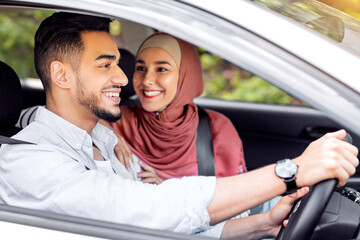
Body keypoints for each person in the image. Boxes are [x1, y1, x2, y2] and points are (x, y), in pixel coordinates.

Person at [0, 12, 358, 239]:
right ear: (61, 74)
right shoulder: (29, 164)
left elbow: (164, 226)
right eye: (105, 65)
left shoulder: (101, 138)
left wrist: (257, 226)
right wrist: (291, 171)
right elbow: (151, 212)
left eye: (120, 64)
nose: (125, 79)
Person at [109, 33, 246, 183]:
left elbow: (232, 200)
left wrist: (165, 191)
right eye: (141, 68)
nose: (147, 80)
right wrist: (107, 131)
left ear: (185, 75)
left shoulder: (217, 128)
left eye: (161, 69)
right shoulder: (115, 123)